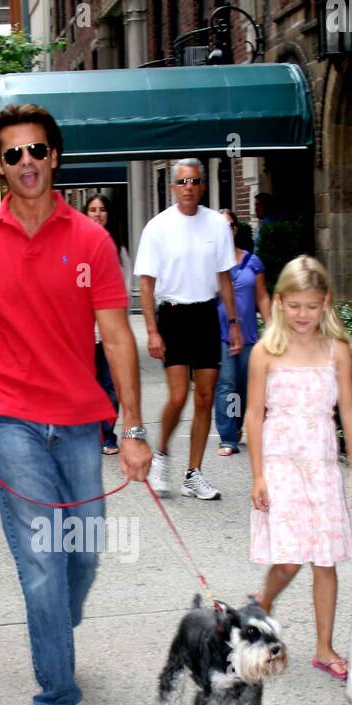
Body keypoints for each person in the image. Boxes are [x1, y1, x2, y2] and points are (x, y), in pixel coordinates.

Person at [0, 102, 151, 705]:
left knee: (82, 552)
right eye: (13, 154)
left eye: (37, 150)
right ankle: (57, 696)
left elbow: (118, 338)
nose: (27, 163)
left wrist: (134, 428)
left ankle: (57, 622)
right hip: (9, 418)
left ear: (54, 157)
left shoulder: (90, 241)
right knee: (41, 559)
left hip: (79, 418)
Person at [247, 256, 352, 681]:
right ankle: (264, 598)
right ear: (279, 302)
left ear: (326, 303)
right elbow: (254, 416)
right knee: (289, 559)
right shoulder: (266, 352)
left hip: (320, 461)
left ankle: (324, 646)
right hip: (280, 463)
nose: (303, 315)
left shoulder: (338, 350)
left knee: (325, 559)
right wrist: (257, 474)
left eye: (312, 306)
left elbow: (349, 409)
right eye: (294, 305)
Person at [135, 157, 242, 500]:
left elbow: (224, 276)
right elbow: (147, 284)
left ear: (203, 185)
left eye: (194, 182)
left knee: (205, 397)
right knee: (179, 396)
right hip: (173, 315)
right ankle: (162, 454)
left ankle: (193, 473)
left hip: (206, 316)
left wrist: (235, 323)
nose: (188, 188)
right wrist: (152, 330)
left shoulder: (216, 225)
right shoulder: (157, 227)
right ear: (173, 187)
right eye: (182, 182)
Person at [215, 211, 271, 455]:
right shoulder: (210, 263)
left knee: (246, 386)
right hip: (221, 334)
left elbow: (262, 297)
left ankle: (237, 425)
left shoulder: (252, 262)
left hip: (249, 333)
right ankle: (227, 437)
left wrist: (271, 327)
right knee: (227, 384)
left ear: (235, 229)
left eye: (229, 226)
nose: (225, 231)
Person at [85, 191, 133, 455]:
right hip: (82, 331)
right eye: (93, 209)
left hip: (108, 333)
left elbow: (123, 293)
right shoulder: (77, 246)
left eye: (102, 209)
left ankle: (106, 433)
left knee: (110, 385)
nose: (98, 214)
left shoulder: (118, 249)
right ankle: (86, 432)